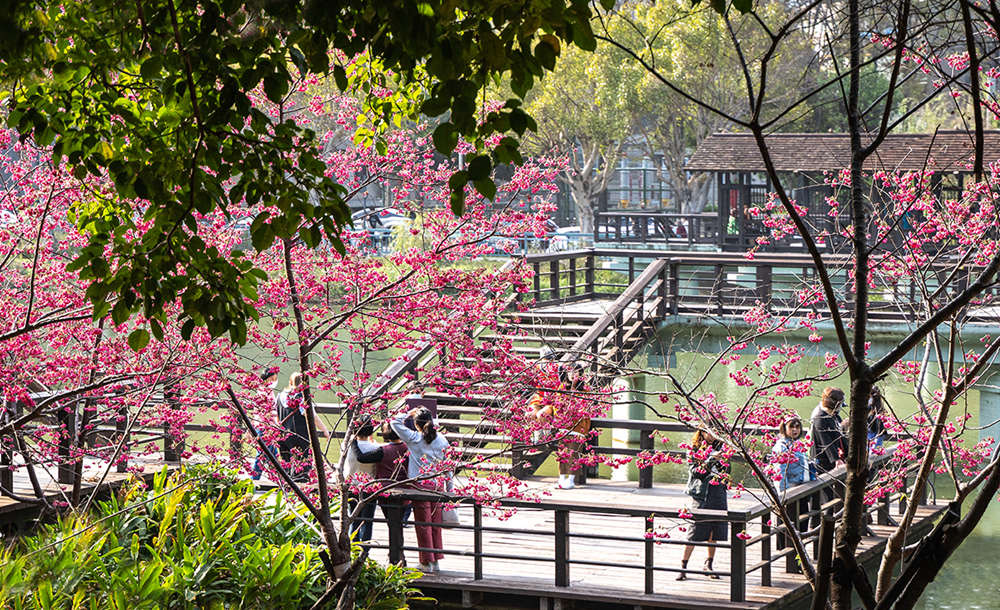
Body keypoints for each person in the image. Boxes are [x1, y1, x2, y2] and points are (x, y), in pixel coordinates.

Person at [390, 406, 450, 573]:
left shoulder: (414, 438)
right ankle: (436, 560)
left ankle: (426, 562)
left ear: (416, 424)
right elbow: (448, 467)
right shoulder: (442, 440)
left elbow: (394, 421)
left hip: (420, 485)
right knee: (435, 524)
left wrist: (408, 413)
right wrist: (449, 488)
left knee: (423, 525)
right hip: (438, 485)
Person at [678, 429, 729, 581]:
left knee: (715, 529)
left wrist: (721, 461)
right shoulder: (694, 450)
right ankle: (683, 566)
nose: (712, 435)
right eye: (709, 432)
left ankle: (709, 564)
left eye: (715, 432)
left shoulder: (722, 448)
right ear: (702, 433)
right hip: (702, 493)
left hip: (718, 491)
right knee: (694, 530)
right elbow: (697, 472)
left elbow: (727, 471)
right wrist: (712, 459)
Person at [532, 363, 591, 489]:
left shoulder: (584, 390)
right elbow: (557, 406)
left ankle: (571, 479)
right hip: (564, 424)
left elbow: (584, 408)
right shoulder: (562, 388)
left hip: (577, 425)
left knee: (574, 453)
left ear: (580, 375)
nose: (573, 375)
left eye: (576, 373)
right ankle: (562, 477)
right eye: (571, 372)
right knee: (562, 453)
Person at [276, 372, 330, 482]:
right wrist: (324, 429)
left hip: (283, 437)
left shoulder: (280, 396)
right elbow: (312, 416)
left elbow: (277, 417)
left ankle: (287, 490)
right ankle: (301, 493)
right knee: (302, 469)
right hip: (299, 437)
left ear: (290, 382)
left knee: (287, 467)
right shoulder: (302, 398)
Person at [344, 420, 380, 542]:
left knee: (353, 520)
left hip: (351, 486)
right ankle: (364, 551)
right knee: (367, 521)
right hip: (369, 488)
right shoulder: (376, 447)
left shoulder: (346, 446)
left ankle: (352, 547)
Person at [809, 387, 847, 474]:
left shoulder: (834, 414)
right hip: (822, 458)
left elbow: (840, 434)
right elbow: (825, 442)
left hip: (834, 452)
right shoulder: (820, 418)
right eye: (840, 404)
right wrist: (836, 459)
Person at [772, 417, 811, 491]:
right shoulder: (781, 447)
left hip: (804, 485)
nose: (795, 429)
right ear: (784, 428)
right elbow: (780, 471)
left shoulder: (797, 444)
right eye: (791, 427)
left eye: (797, 427)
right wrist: (784, 492)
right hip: (792, 487)